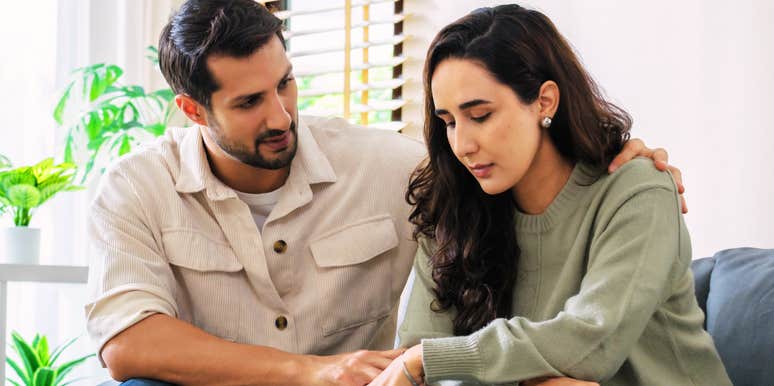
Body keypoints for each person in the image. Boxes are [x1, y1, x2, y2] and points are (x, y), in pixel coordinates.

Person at [83, 1, 687, 385]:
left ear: (545, 101)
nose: (282, 115)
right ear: (192, 110)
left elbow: (586, 334)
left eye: (286, 85)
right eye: (248, 103)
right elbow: (128, 341)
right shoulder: (134, 188)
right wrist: (313, 372)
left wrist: (629, 159)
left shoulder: (407, 169)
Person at [371, 4, 732, 386]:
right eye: (449, 122)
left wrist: (441, 359)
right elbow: (415, 358)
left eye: (480, 116)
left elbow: (591, 342)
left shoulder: (638, 192)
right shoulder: (455, 209)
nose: (462, 144)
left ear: (545, 101)